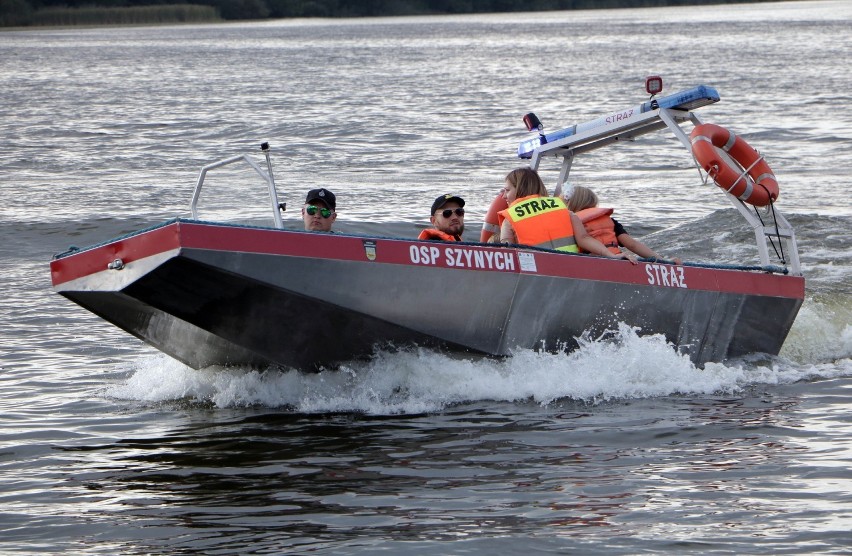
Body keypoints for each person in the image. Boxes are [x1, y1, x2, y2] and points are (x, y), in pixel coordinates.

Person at [498, 168, 636, 263]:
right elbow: (583, 239)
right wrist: (611, 256)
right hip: (571, 268)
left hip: (535, 272)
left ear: (521, 188)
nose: (504, 196)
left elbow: (507, 252)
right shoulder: (561, 207)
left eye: (507, 190)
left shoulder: (510, 218)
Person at [566, 185, 681, 264]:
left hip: (592, 262)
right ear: (593, 203)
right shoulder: (610, 221)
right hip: (619, 259)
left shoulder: (571, 221)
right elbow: (632, 245)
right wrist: (662, 260)